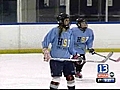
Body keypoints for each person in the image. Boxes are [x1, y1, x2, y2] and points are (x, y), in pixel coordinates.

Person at [42, 13, 80, 89]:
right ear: (61, 21)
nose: (68, 22)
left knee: (70, 78)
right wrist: (45, 50)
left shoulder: (70, 32)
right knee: (56, 79)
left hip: (67, 59)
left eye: (68, 20)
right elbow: (46, 41)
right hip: (56, 59)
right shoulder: (55, 31)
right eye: (66, 20)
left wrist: (76, 55)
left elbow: (71, 47)